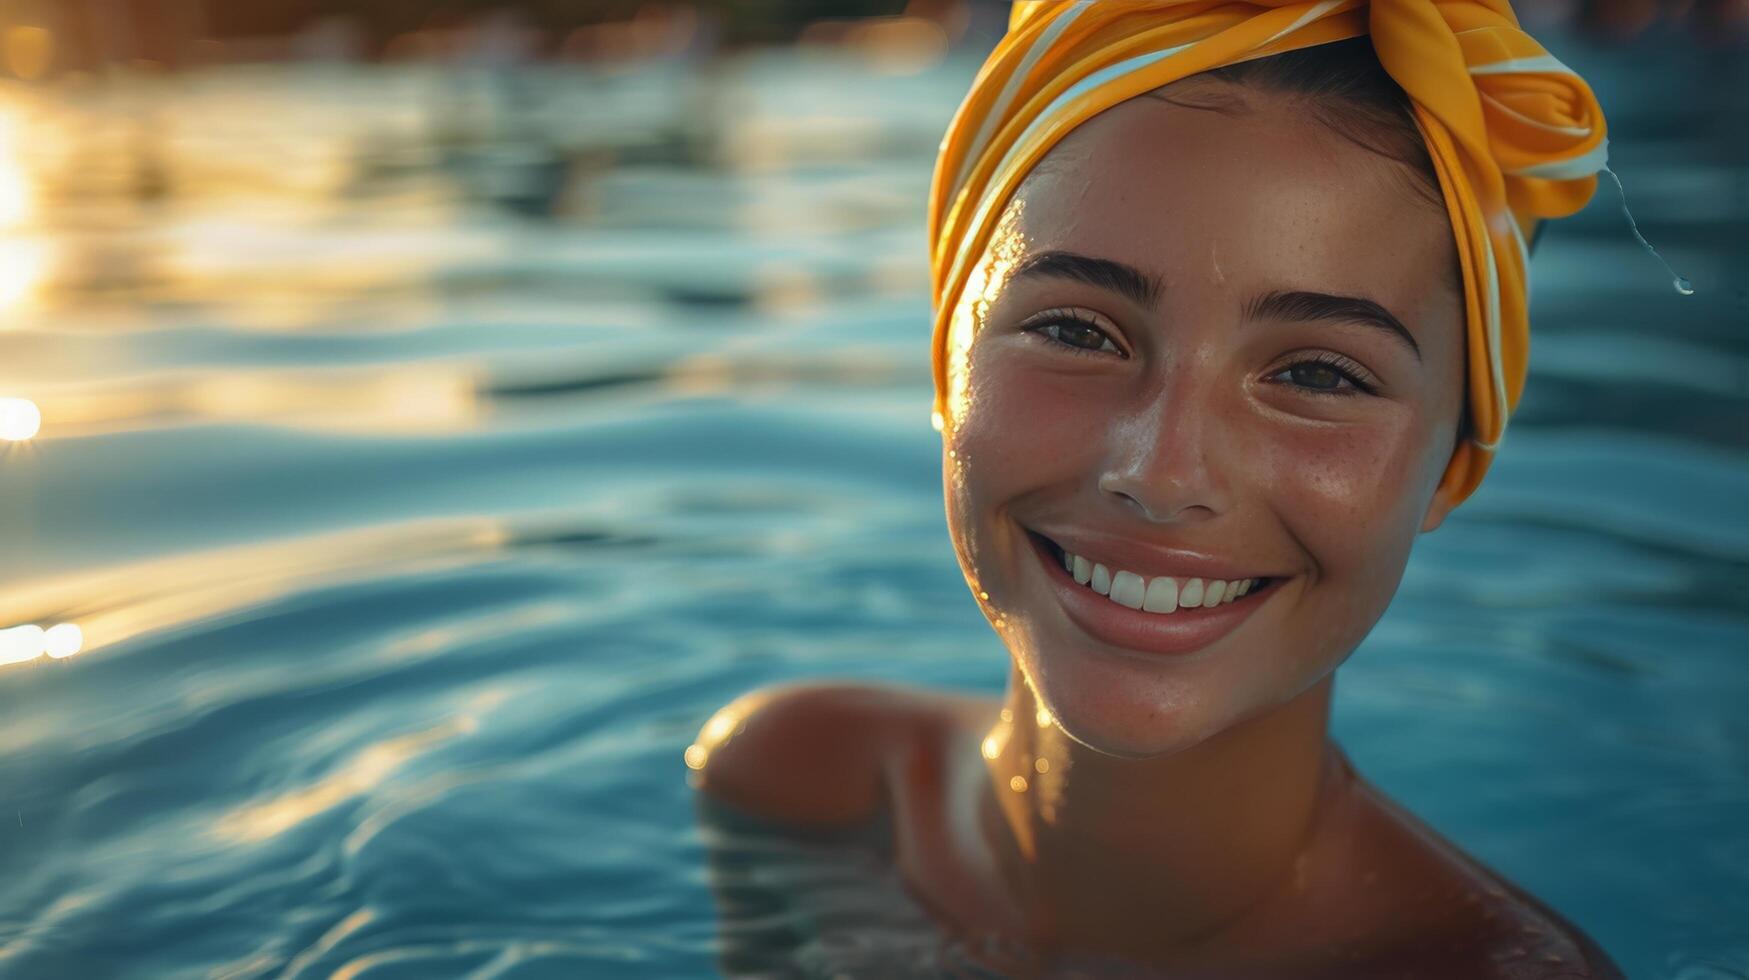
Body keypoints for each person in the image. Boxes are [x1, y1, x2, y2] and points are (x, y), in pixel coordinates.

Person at [689, 1, 1629, 975]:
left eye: (1317, 374)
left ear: (1452, 463)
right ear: (948, 363)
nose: (1161, 471)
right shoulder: (801, 791)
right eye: (1077, 331)